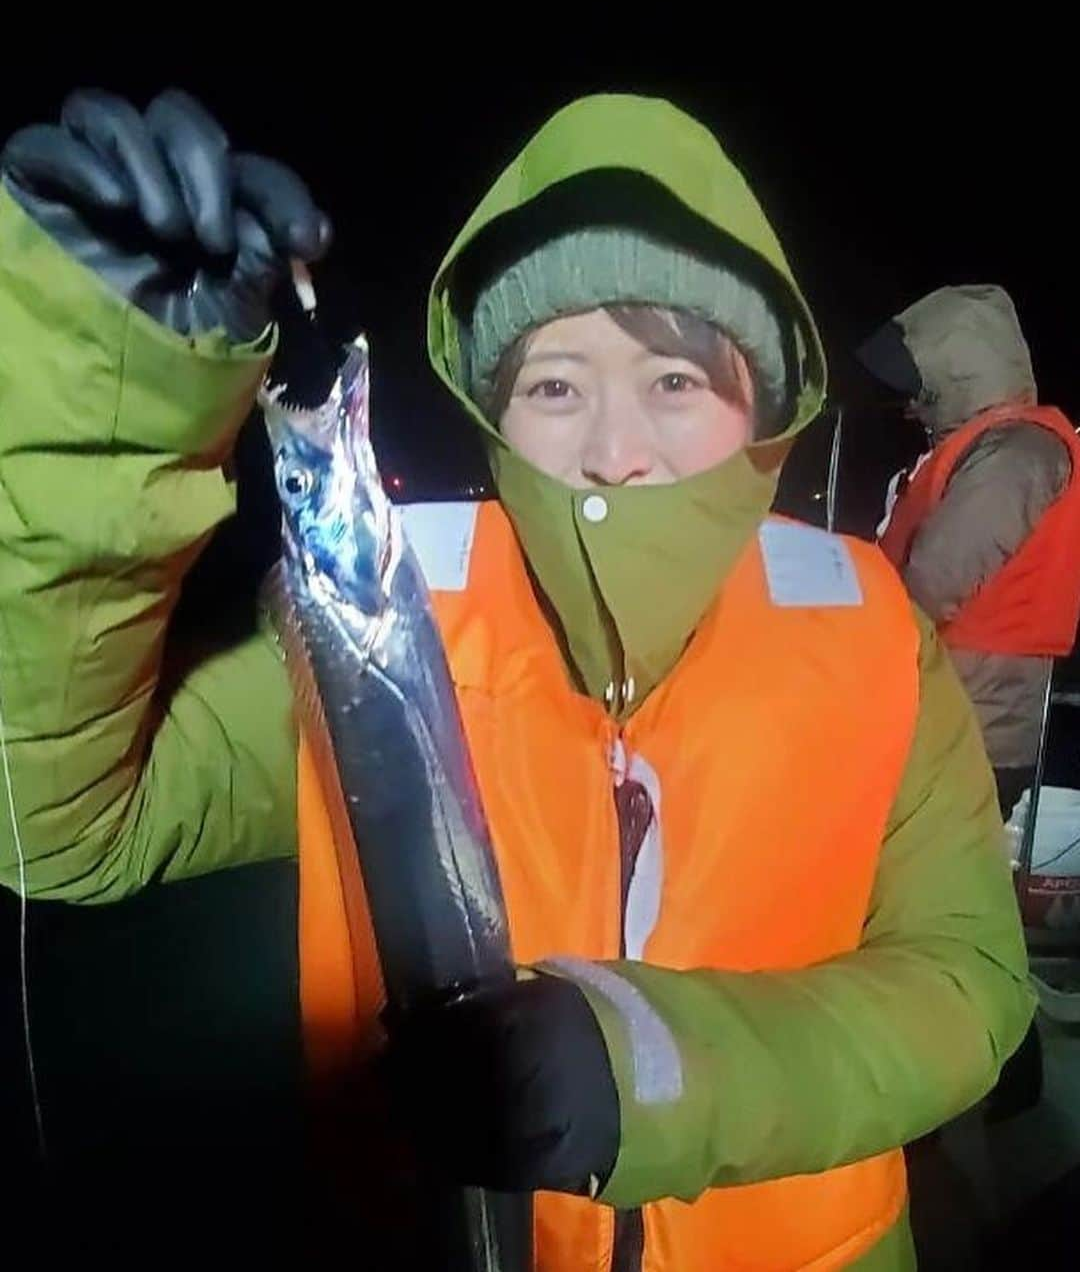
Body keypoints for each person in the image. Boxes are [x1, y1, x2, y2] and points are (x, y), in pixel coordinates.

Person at [0, 89, 1034, 1271]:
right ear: (491, 413)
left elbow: (968, 983)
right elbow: (66, 823)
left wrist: (642, 1069)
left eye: (676, 381)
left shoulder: (871, 640)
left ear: (766, 406)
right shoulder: (371, 626)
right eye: (553, 385)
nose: (611, 445)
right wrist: (105, 382)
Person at [859, 287, 1080, 820]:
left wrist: (855, 640)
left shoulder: (1018, 452)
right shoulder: (987, 445)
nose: (910, 404)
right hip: (946, 699)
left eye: (920, 386)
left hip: (975, 718)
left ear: (955, 371)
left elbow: (937, 578)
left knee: (922, 877)